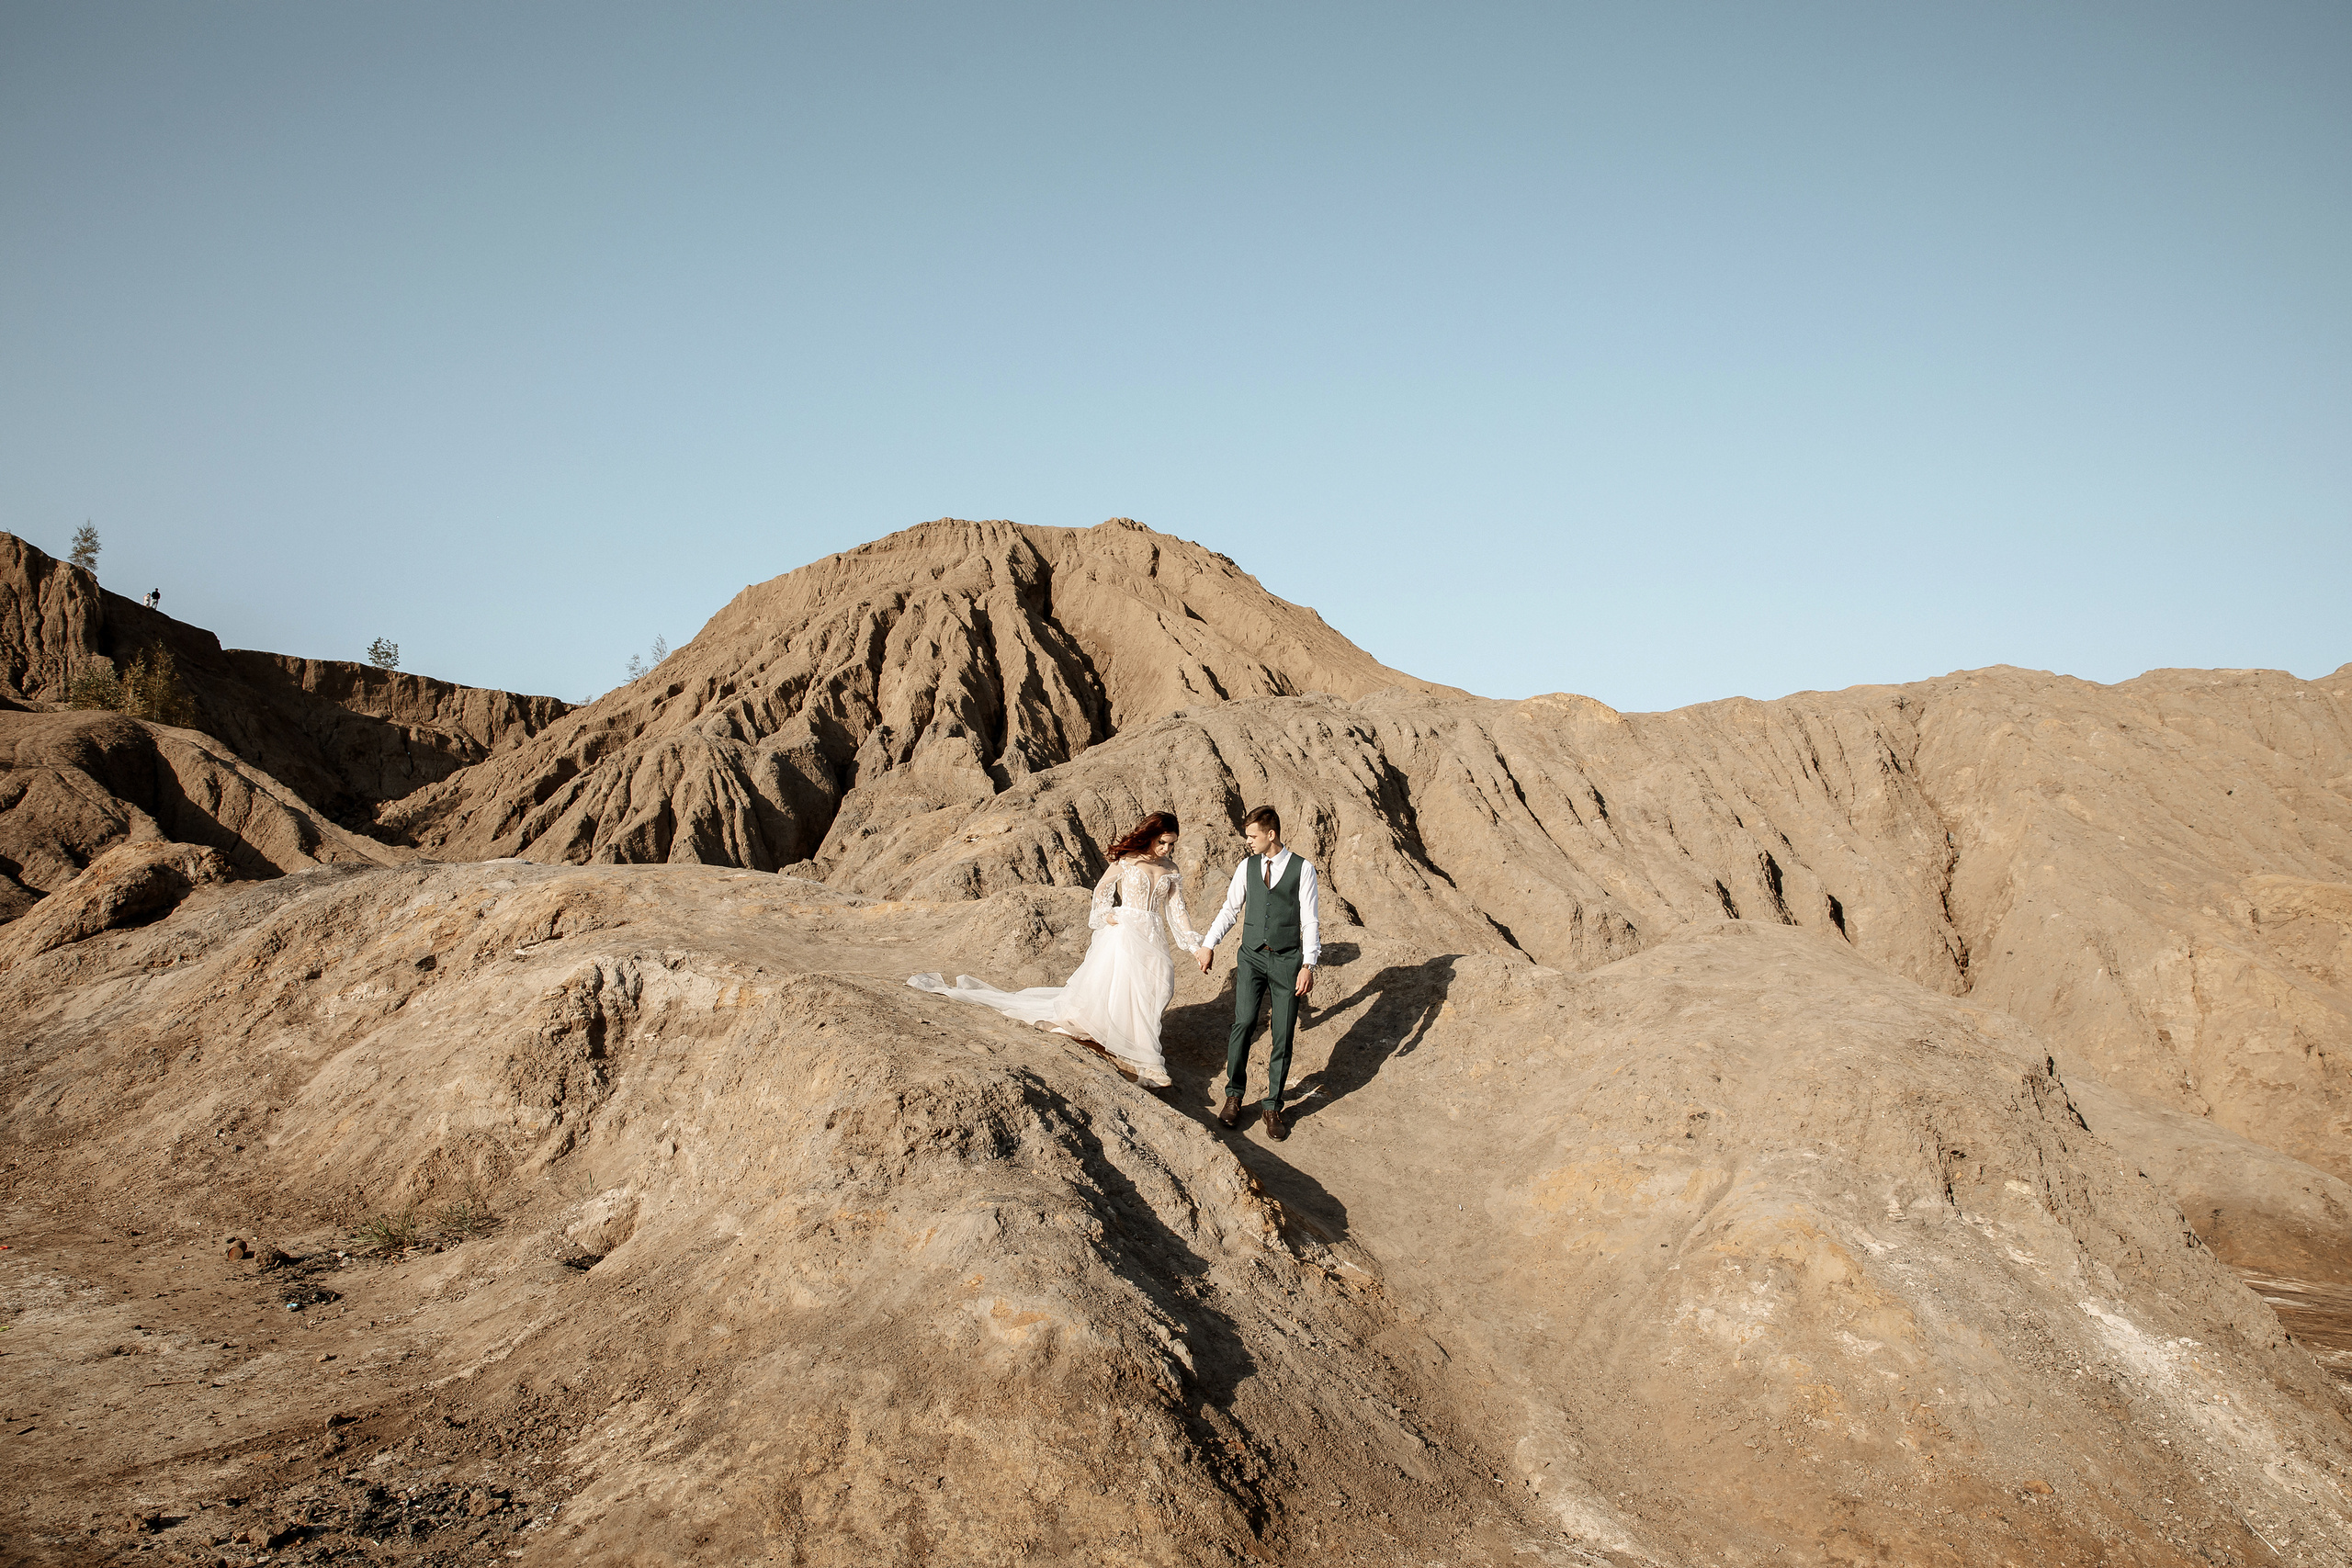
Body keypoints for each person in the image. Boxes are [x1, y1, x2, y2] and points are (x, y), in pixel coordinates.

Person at [909, 811, 1199, 1091]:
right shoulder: (1129, 860)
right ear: (1149, 836)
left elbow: (1178, 911)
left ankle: (1133, 1046)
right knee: (1125, 987)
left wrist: (1195, 946)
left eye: (1171, 843)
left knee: (1157, 988)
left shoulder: (1171, 870)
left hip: (1152, 935)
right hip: (1124, 932)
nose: (1166, 848)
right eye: (1162, 841)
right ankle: (1149, 1064)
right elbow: (1102, 889)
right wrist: (1107, 914)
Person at [1194, 806, 1318, 1141]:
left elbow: (1309, 920)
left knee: (1282, 1033)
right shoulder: (1246, 866)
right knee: (1244, 1022)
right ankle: (1234, 1095)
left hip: (1287, 962)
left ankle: (1273, 1106)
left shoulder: (1303, 869)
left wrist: (1308, 965)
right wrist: (1209, 944)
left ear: (1270, 835)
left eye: (1252, 836)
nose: (1248, 842)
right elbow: (1230, 909)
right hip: (1251, 958)